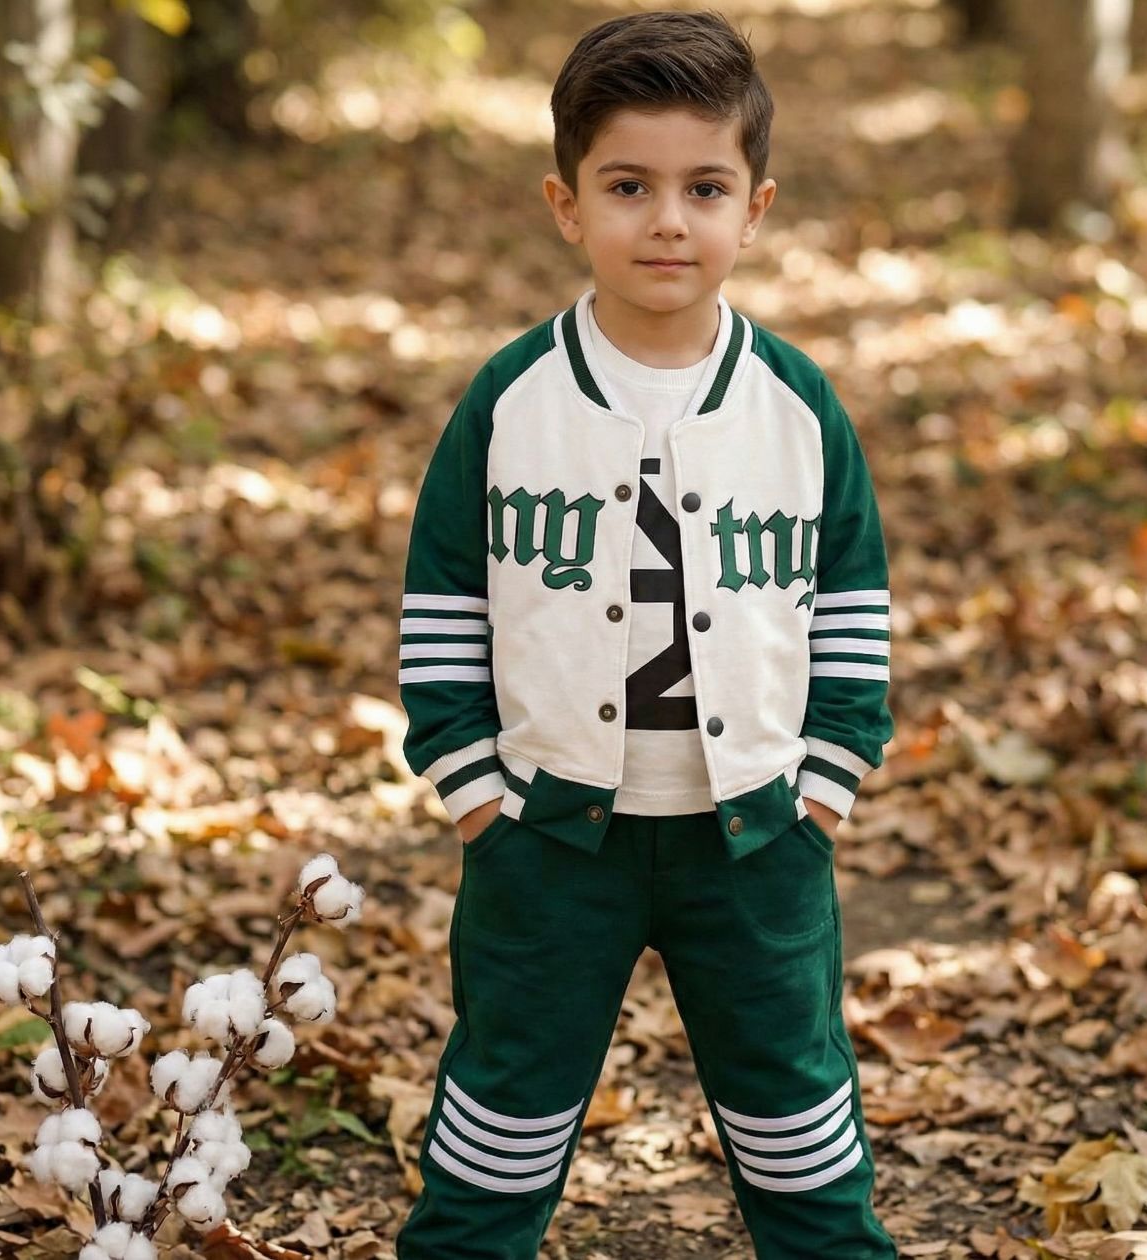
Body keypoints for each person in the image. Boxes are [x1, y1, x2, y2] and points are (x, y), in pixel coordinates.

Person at [394, 8, 897, 1258]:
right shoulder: (512, 400)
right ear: (565, 205)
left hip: (756, 836)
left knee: (798, 1123)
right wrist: (475, 793)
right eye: (628, 186)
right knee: (500, 1118)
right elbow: (443, 600)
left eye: (703, 188)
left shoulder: (794, 403)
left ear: (754, 208)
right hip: (547, 838)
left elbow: (850, 602)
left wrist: (823, 784)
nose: (667, 220)